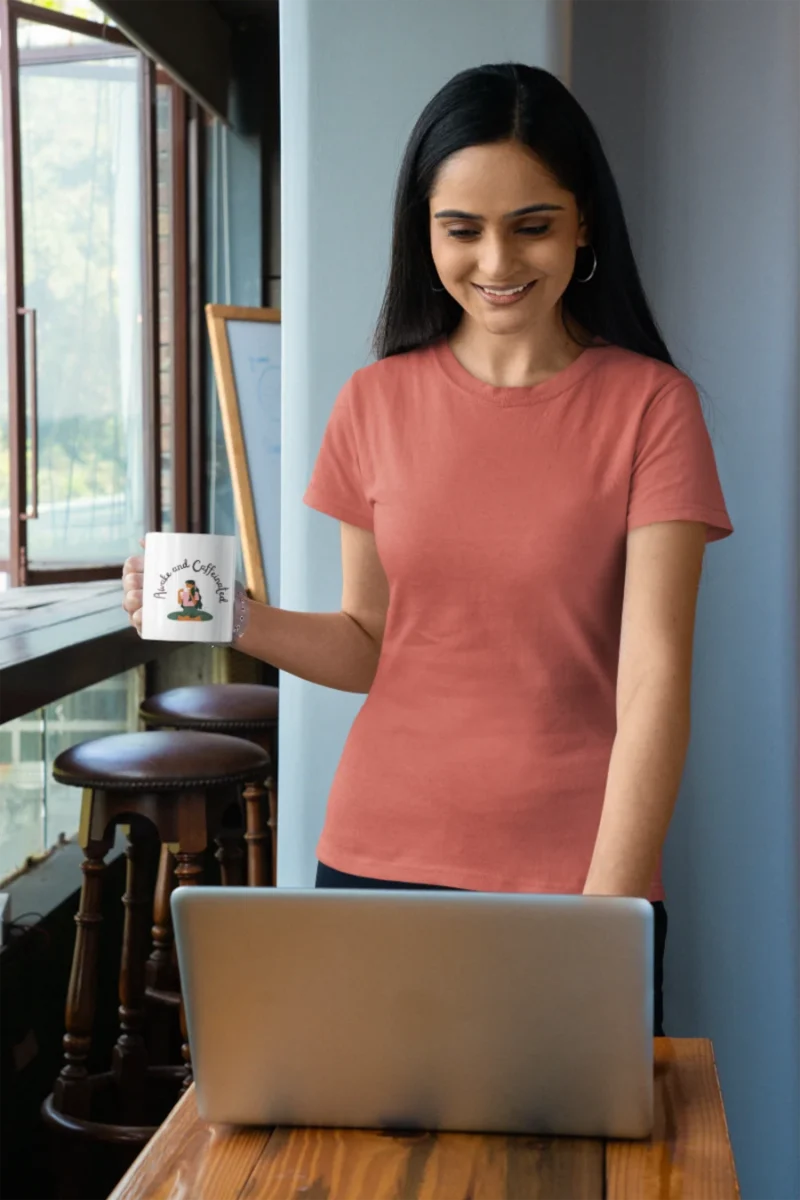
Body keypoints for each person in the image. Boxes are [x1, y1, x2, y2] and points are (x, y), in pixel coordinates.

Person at [122, 63, 733, 1034]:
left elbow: (653, 677)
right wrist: (233, 614)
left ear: (583, 227)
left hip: (577, 872)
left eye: (530, 223)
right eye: (462, 228)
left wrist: (606, 911)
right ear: (424, 232)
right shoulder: (372, 402)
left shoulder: (651, 407)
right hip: (374, 857)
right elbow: (372, 642)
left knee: (558, 1180)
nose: (496, 259)